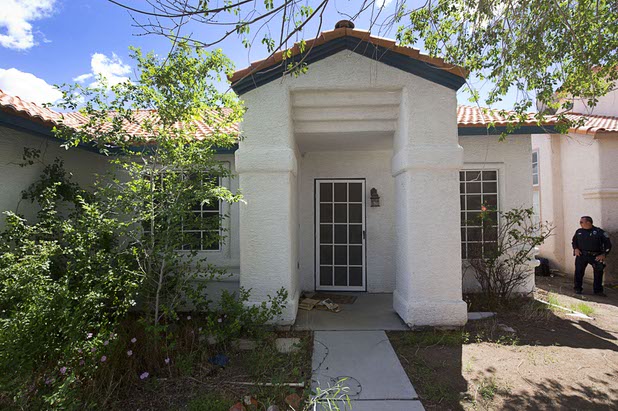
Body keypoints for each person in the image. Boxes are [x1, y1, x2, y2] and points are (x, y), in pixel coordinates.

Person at [572, 216, 612, 296]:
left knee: (598, 273)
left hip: (595, 256)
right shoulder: (579, 232)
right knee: (578, 272)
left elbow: (608, 244)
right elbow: (574, 241)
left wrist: (604, 254)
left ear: (588, 222)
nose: (580, 224)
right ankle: (577, 288)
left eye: (581, 222)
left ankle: (598, 291)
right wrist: (575, 249)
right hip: (582, 255)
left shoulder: (599, 232)